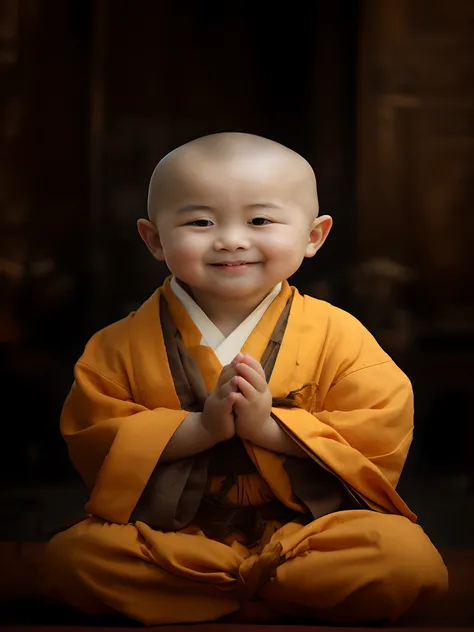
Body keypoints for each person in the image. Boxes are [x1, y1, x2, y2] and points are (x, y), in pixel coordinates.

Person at [38, 132, 448, 625]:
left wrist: (270, 429)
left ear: (313, 236)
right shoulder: (118, 344)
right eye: (200, 221)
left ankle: (215, 591)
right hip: (178, 534)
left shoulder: (340, 335)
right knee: (72, 560)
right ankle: (273, 591)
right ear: (154, 240)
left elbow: (377, 433)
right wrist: (201, 430)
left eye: (259, 220)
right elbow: (93, 434)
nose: (231, 238)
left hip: (306, 533)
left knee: (403, 560)